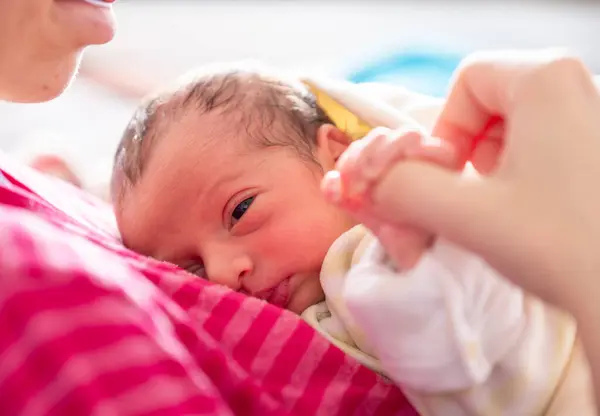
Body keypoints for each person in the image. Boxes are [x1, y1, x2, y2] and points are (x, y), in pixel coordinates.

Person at [111, 64, 594, 415]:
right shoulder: (321, 315)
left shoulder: (376, 235)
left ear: (337, 153)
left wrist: (410, 246)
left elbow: (483, 345)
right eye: (191, 270)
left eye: (240, 211)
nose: (220, 274)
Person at [324, 49, 600, 410]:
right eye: (219, 283)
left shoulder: (363, 246)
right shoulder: (315, 323)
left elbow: (496, 363)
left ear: (335, 151)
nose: (227, 269)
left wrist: (409, 256)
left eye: (241, 209)